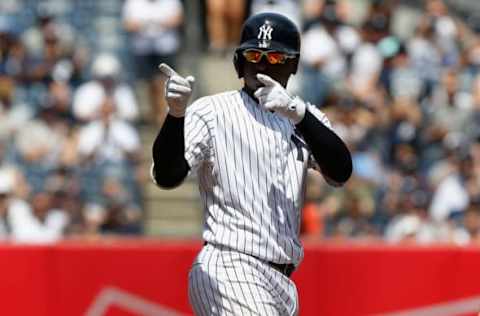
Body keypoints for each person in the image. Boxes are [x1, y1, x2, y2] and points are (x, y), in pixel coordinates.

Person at [151, 12, 352, 315]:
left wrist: (298, 114)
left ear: (293, 64)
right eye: (254, 54)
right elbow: (168, 176)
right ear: (237, 62)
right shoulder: (212, 111)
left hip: (282, 281)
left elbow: (341, 171)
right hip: (230, 266)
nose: (261, 64)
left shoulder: (304, 116)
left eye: (274, 57)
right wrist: (175, 115)